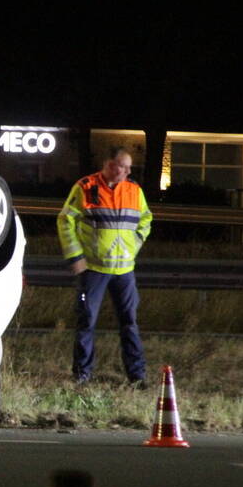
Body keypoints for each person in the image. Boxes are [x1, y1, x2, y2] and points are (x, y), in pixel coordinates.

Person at [57, 147, 152, 386]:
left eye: (129, 167)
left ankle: (137, 375)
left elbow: (146, 220)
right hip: (93, 269)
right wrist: (76, 257)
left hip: (124, 271)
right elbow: (65, 221)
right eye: (123, 166)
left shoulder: (134, 190)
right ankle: (82, 374)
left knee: (130, 323)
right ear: (110, 165)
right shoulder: (85, 187)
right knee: (86, 321)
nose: (128, 171)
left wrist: (133, 246)